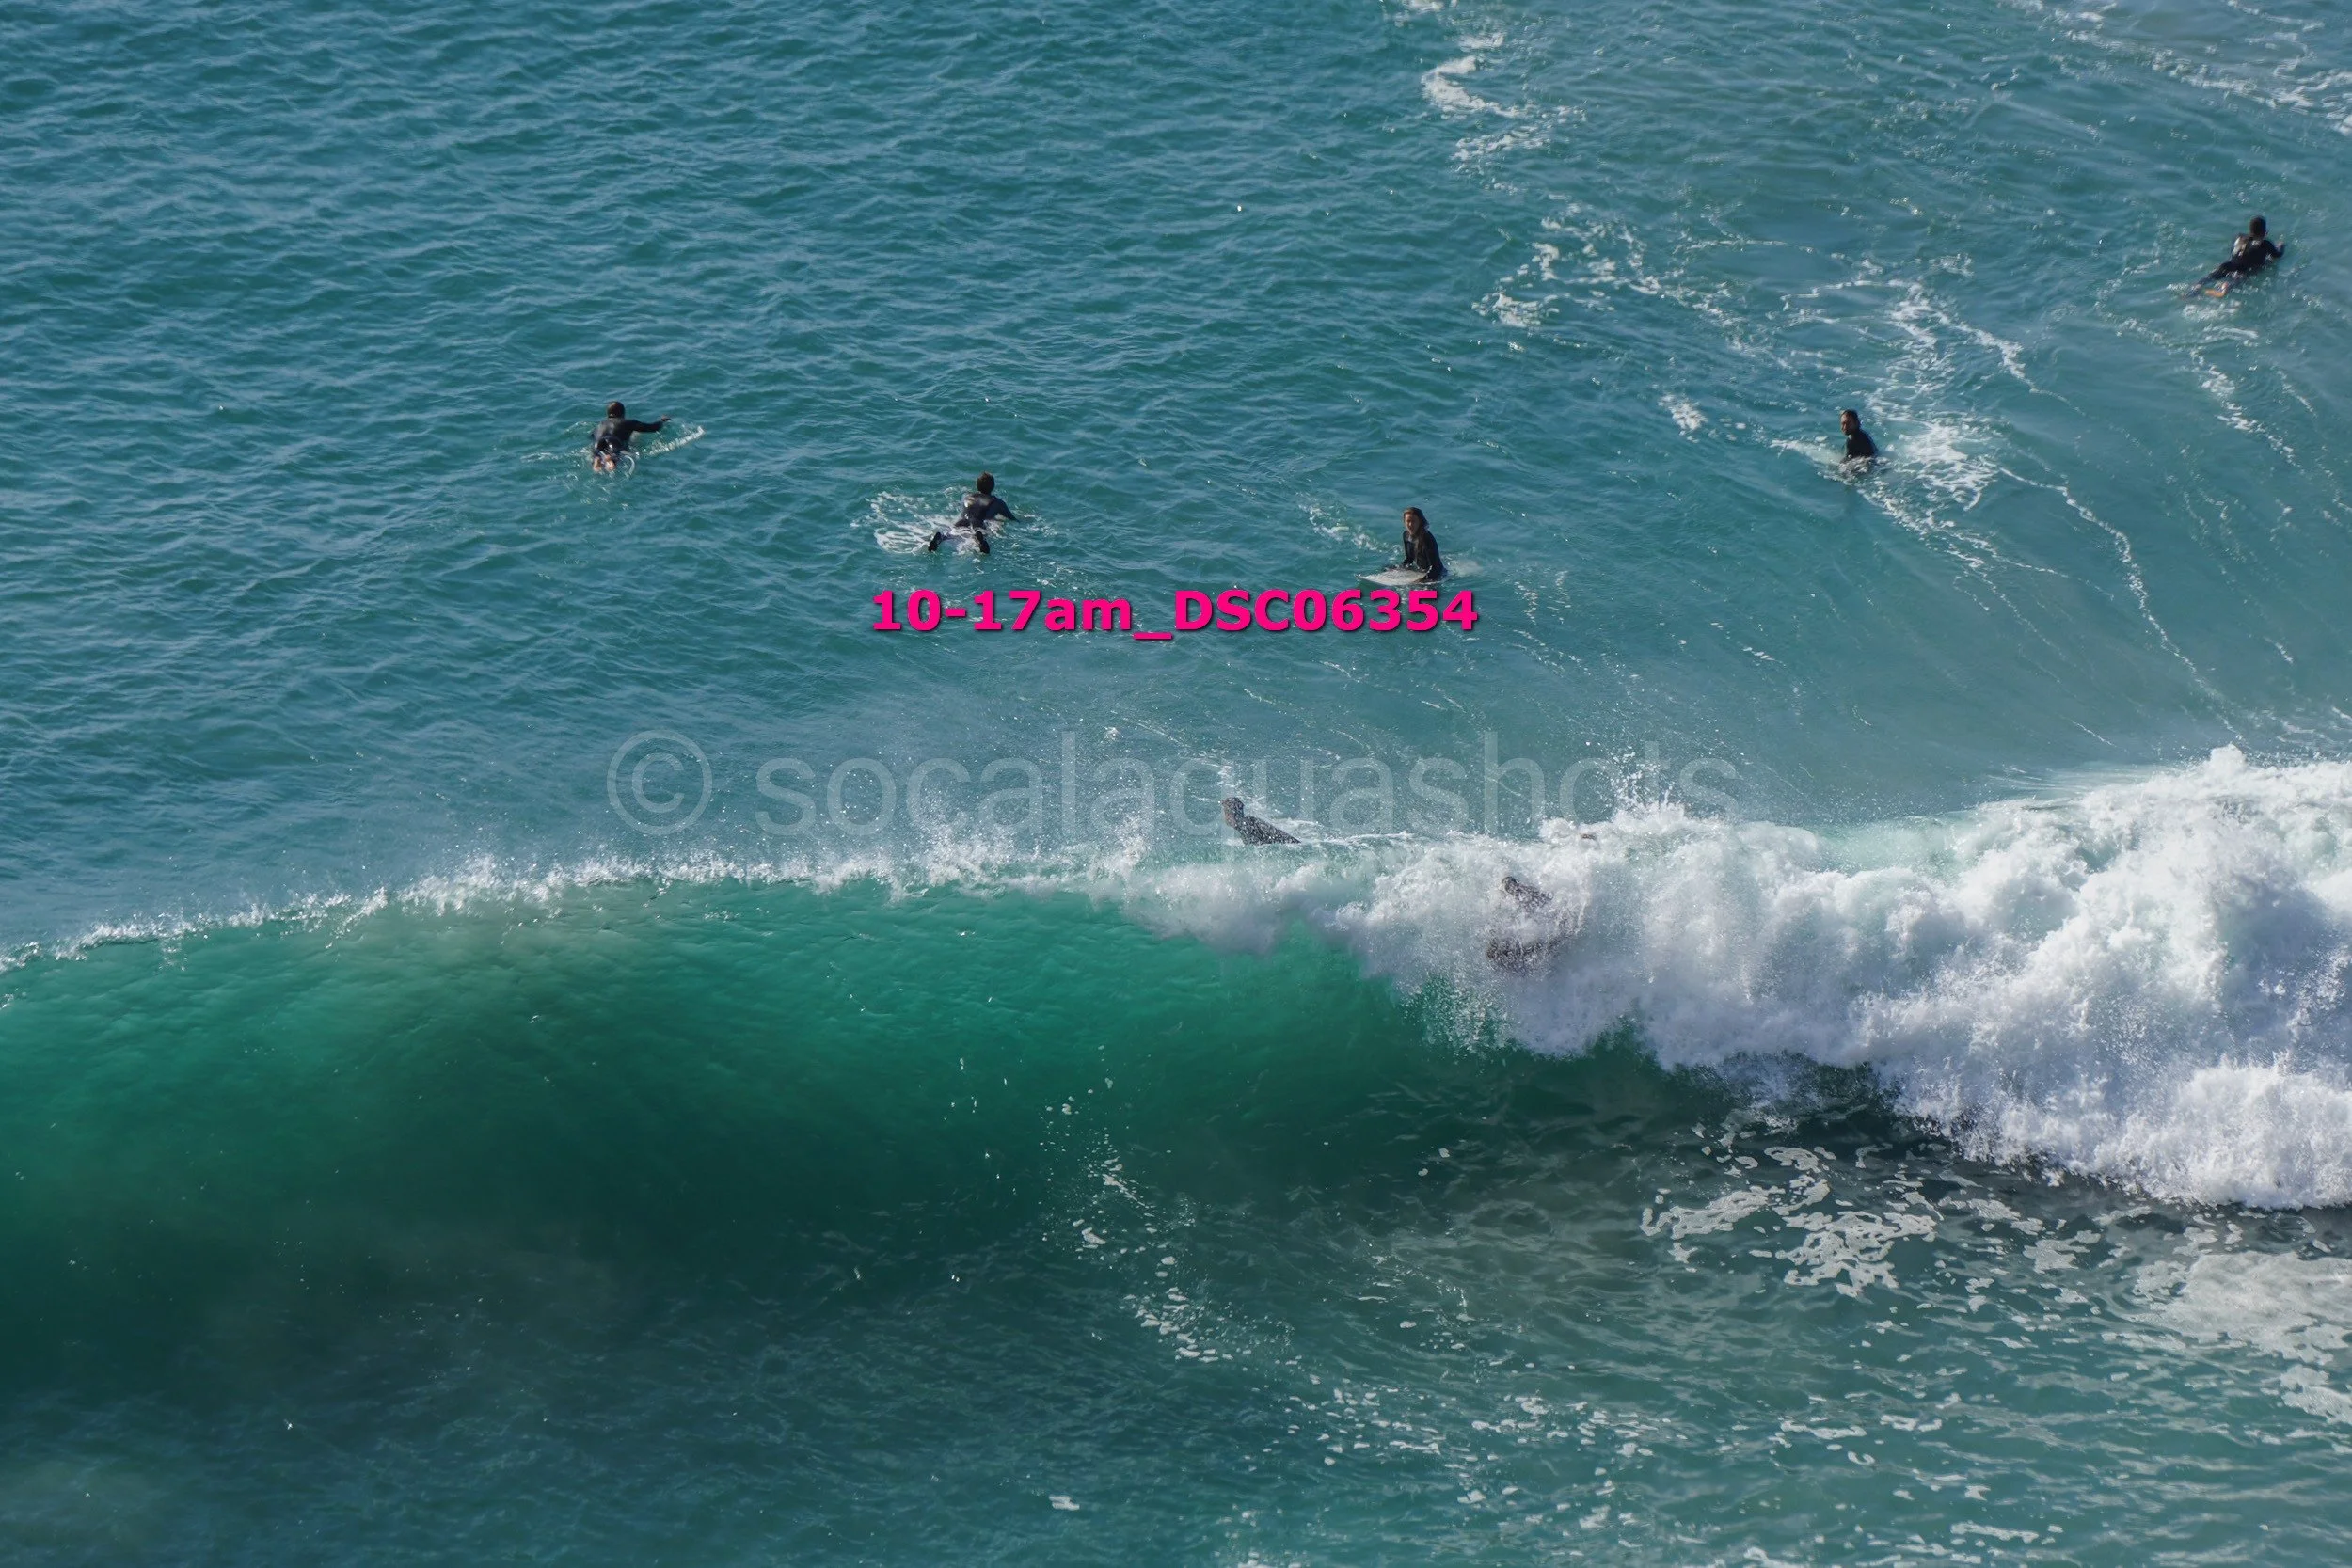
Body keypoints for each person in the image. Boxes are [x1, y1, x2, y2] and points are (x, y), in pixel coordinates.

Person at [928, 472, 1019, 555]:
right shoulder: (997, 502)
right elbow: (1011, 518)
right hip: (978, 523)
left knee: (950, 534)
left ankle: (940, 538)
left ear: (977, 485)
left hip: (962, 521)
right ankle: (980, 540)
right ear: (993, 486)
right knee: (978, 534)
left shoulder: (968, 497)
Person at [2201, 215, 2283, 290]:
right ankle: (2227, 286)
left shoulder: (2238, 237)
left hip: (2227, 265)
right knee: (2239, 280)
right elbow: (2277, 255)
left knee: (2209, 278)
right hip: (2242, 272)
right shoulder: (2265, 243)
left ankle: (2197, 286)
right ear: (2264, 232)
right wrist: (2281, 246)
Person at [592, 401, 669, 472]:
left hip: (598, 443)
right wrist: (662, 421)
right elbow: (653, 428)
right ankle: (610, 459)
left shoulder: (598, 427)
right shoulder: (627, 422)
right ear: (623, 414)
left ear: (608, 414)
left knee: (597, 454)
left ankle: (597, 459)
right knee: (614, 455)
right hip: (614, 442)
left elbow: (592, 437)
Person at [1222, 797, 1299, 845]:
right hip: (1292, 844)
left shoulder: (1244, 825)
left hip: (1292, 845)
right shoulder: (1247, 822)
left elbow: (1255, 849)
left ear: (1229, 814)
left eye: (1225, 812)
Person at [1398, 506, 1446, 582]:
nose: (1410, 524)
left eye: (1414, 521)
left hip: (1437, 576)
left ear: (1420, 522)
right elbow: (1409, 559)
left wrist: (1420, 581)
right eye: (1408, 521)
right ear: (1404, 521)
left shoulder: (1427, 539)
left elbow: (1436, 568)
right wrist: (1399, 569)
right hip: (1421, 572)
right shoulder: (1406, 535)